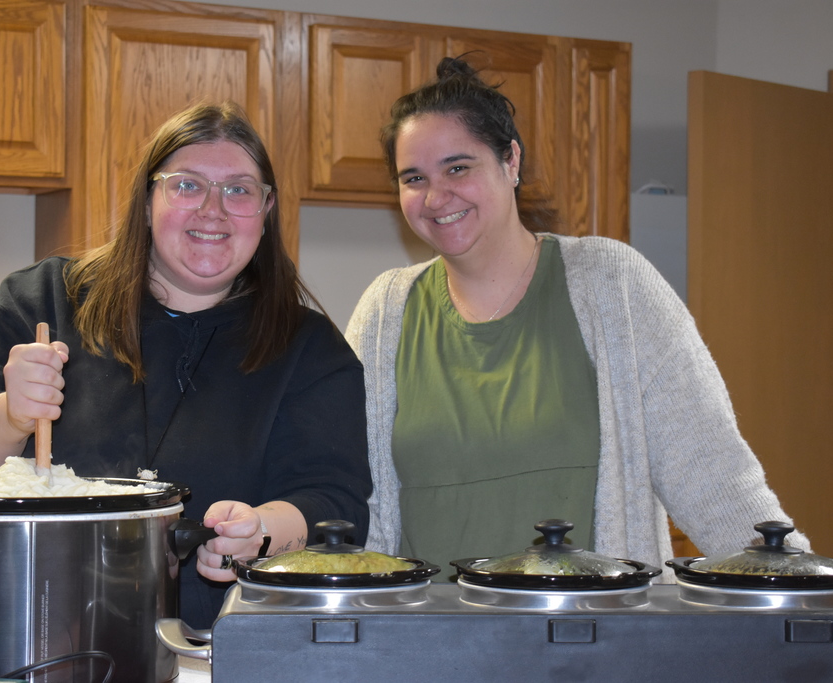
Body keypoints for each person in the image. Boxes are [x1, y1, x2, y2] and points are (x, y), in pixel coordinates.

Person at [0, 101, 372, 627]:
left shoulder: (308, 348)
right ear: (148, 198)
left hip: (217, 650)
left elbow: (336, 506)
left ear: (266, 212)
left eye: (239, 190)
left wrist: (259, 531)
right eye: (187, 184)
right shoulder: (45, 300)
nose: (213, 210)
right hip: (27, 631)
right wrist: (9, 415)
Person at [345, 56, 808, 578]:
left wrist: (801, 598)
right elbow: (341, 484)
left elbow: (713, 472)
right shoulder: (385, 312)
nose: (435, 196)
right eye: (413, 177)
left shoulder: (611, 284)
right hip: (427, 645)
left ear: (511, 161)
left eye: (458, 167)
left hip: (589, 641)